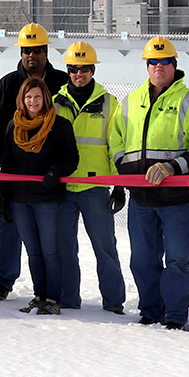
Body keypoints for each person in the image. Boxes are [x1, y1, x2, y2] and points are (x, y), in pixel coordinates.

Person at [112, 36, 189, 331]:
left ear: (174, 65)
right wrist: (124, 172)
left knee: (178, 260)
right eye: (153, 62)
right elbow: (116, 140)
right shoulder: (131, 101)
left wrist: (172, 166)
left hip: (176, 198)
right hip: (140, 198)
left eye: (164, 61)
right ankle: (151, 309)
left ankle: (176, 315)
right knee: (142, 259)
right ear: (147, 65)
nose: (159, 66)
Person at [0, 22, 67, 300]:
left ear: (46, 51)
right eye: (27, 50)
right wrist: (7, 155)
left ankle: (55, 292)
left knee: (53, 240)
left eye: (38, 50)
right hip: (15, 175)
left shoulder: (61, 84)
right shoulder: (7, 85)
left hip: (51, 177)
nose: (32, 55)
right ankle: (2, 281)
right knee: (8, 224)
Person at [51, 41, 128, 315]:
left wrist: (119, 183)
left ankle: (114, 303)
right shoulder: (54, 103)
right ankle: (69, 301)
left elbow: (116, 145)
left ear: (92, 70)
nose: (78, 74)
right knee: (64, 249)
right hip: (63, 187)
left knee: (105, 247)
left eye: (83, 69)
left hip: (95, 188)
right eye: (73, 69)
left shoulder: (109, 103)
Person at [1, 76, 79, 315]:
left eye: (36, 96)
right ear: (21, 100)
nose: (32, 101)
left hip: (48, 199)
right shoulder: (13, 127)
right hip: (20, 199)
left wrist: (57, 170)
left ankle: (53, 299)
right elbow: (7, 165)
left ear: (45, 97)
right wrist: (4, 199)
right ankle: (40, 295)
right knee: (33, 250)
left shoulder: (61, 125)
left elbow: (71, 158)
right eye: (28, 96)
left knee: (51, 251)